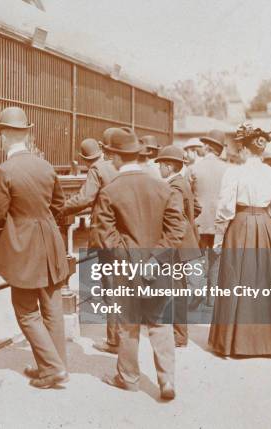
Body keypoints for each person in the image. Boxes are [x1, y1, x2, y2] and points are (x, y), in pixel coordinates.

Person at [95, 127, 186, 400]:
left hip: (126, 269)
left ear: (115, 157)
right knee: (160, 324)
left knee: (127, 323)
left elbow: (105, 236)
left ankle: (128, 377)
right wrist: (154, 259)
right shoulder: (163, 188)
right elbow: (176, 232)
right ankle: (166, 381)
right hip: (158, 267)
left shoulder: (110, 191)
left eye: (111, 155)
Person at [0, 106, 70, 389]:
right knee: (52, 308)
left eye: (1, 134)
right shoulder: (46, 166)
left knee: (25, 310)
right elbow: (59, 204)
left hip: (24, 247)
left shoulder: (5, 170)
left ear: (9, 136)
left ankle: (52, 368)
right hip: (52, 245)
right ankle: (55, 367)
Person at [209, 123, 271, 357]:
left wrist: (219, 236)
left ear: (244, 149)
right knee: (266, 280)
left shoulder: (235, 172)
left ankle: (232, 342)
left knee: (237, 278)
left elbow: (225, 208)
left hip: (241, 224)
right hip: (265, 225)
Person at [60, 135, 118, 353]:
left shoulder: (96, 170)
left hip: (106, 234)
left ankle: (114, 341)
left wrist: (62, 208)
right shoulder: (113, 166)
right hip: (121, 234)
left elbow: (85, 198)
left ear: (84, 159)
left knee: (110, 287)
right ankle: (120, 336)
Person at [155, 145, 202, 347]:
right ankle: (178, 332)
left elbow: (172, 217)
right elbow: (197, 208)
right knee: (178, 288)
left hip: (177, 244)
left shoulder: (173, 187)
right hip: (186, 241)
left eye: (161, 165)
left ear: (169, 166)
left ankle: (179, 335)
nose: (159, 169)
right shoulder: (183, 183)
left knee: (176, 290)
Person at [188, 129, 230, 305]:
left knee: (195, 258)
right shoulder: (229, 170)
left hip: (198, 222)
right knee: (216, 259)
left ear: (207, 147)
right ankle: (212, 297)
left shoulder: (193, 168)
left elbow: (186, 197)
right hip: (219, 222)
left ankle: (196, 290)